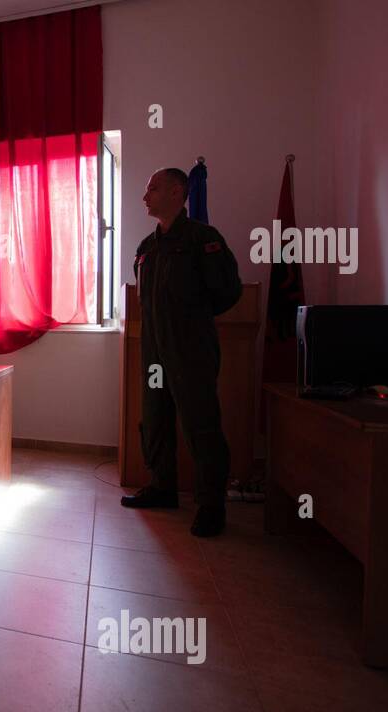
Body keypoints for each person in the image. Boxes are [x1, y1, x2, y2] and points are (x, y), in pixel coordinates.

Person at [122, 168, 242, 537]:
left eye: (152, 189)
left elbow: (227, 291)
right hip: (154, 348)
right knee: (155, 417)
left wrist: (190, 323)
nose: (145, 197)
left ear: (177, 192)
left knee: (200, 423)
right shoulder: (147, 248)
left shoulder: (203, 239)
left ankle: (210, 503)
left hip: (190, 349)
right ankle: (163, 486)